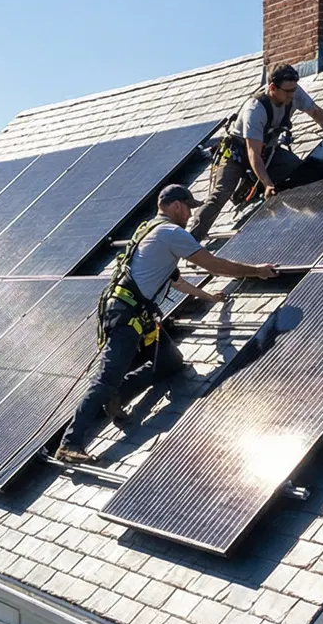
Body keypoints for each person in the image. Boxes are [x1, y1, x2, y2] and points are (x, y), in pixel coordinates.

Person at [55, 184, 282, 465]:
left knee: (171, 363)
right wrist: (256, 271)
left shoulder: (150, 231)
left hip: (137, 316)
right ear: (176, 205)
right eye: (188, 208)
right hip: (126, 317)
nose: (189, 215)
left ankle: (118, 392)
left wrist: (209, 295)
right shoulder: (170, 232)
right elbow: (215, 265)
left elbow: (176, 280)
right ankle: (70, 443)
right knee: (105, 378)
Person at [189, 60, 323, 242]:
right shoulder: (255, 109)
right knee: (220, 194)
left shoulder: (294, 93)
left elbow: (316, 113)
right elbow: (253, 153)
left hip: (269, 152)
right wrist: (268, 183)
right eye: (287, 91)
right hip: (238, 154)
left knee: (300, 169)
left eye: (294, 89)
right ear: (272, 88)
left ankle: (295, 214)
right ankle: (191, 240)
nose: (292, 95)